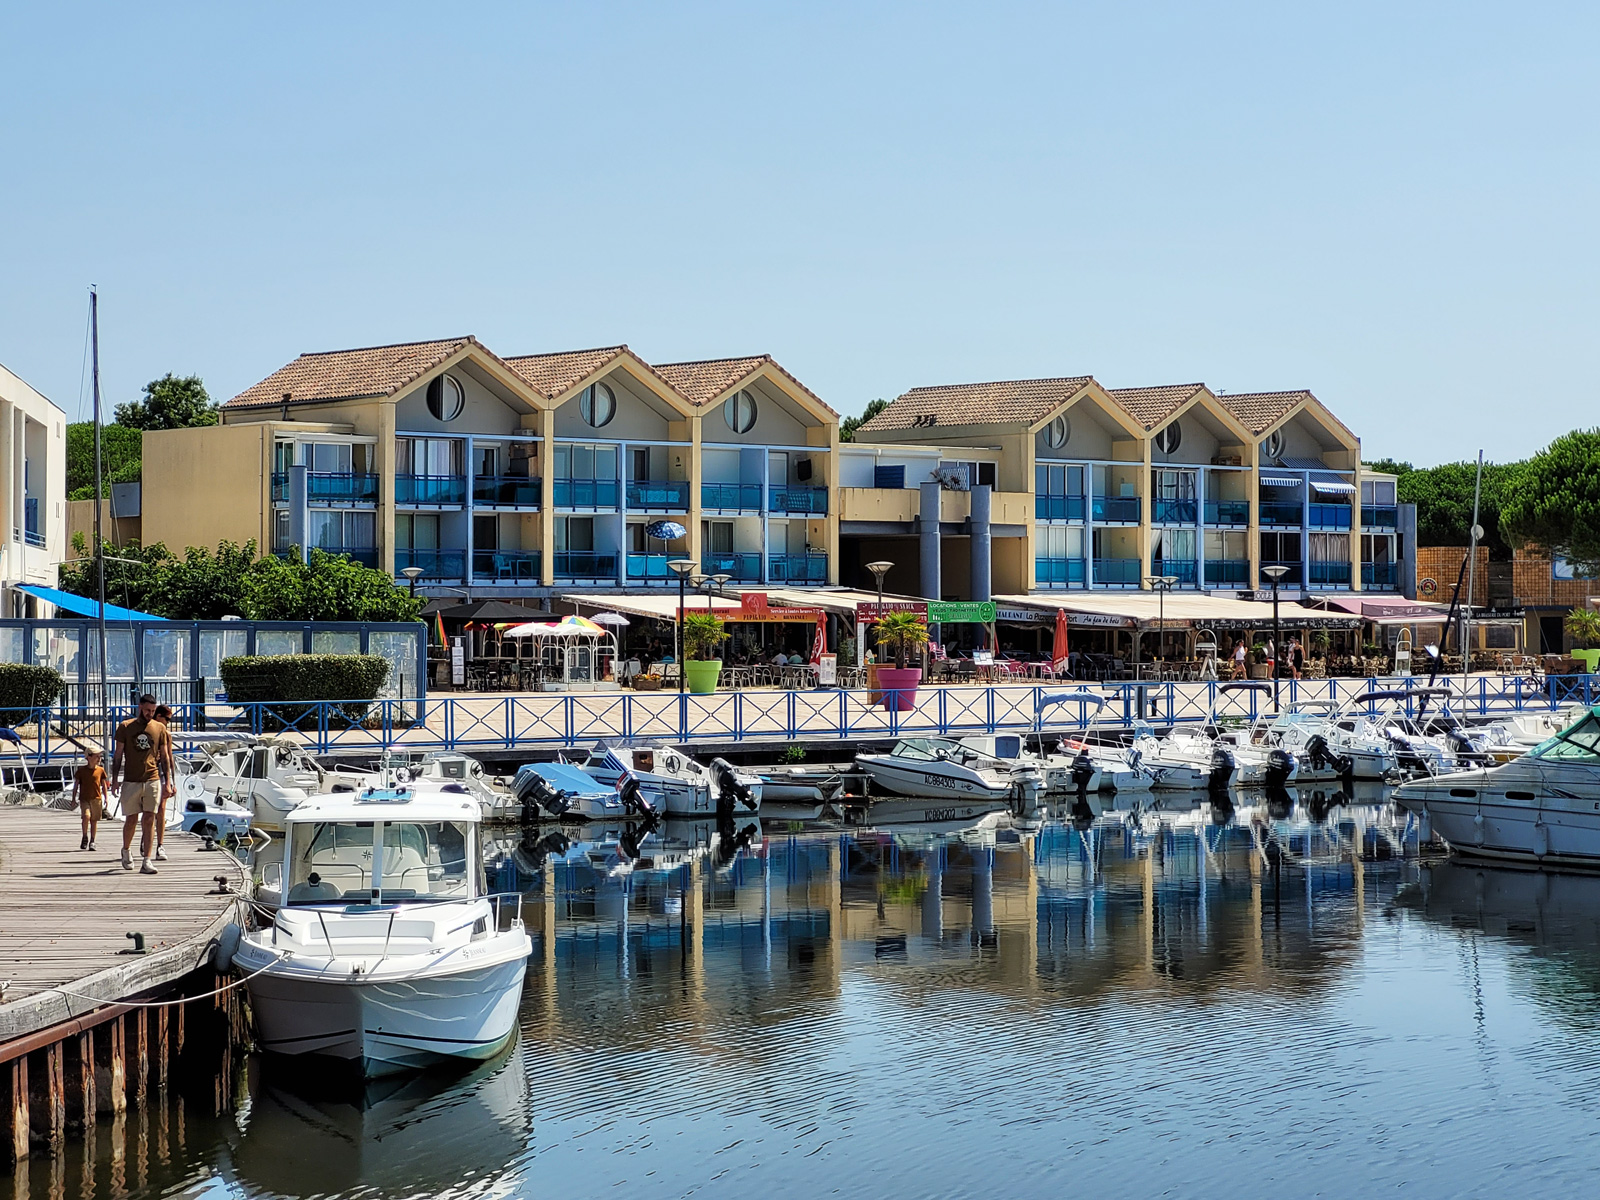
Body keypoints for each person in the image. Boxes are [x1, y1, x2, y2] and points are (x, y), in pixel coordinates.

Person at [111, 693, 175, 874]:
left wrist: (168, 782)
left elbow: (165, 757)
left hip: (152, 779)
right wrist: (114, 780)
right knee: (131, 819)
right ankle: (126, 849)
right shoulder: (126, 727)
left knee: (149, 818)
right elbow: (118, 755)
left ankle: (147, 860)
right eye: (147, 710)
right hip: (131, 780)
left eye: (153, 711)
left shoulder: (159, 728)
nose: (150, 714)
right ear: (140, 707)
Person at [153, 704, 178, 860]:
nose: (168, 723)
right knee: (149, 809)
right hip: (149, 771)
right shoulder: (147, 731)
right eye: (167, 719)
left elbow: (169, 757)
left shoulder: (166, 735)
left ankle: (160, 845)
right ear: (158, 716)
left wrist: (172, 782)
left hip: (161, 771)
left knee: (161, 808)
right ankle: (147, 838)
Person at [72, 750, 109, 851]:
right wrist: (73, 798)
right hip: (84, 799)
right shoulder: (81, 771)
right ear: (89, 757)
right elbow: (76, 785)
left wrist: (106, 798)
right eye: (97, 756)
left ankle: (92, 841)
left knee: (94, 820)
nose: (99, 759)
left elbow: (103, 785)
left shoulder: (100, 770)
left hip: (96, 799)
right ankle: (85, 836)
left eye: (100, 757)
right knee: (86, 816)